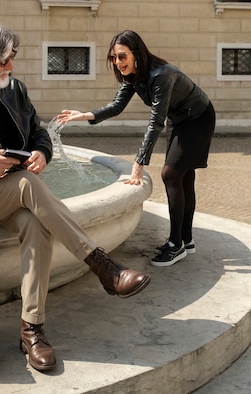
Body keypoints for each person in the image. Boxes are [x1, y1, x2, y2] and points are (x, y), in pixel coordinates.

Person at [0, 20, 151, 373]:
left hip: (11, 192)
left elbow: (38, 134)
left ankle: (32, 330)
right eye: (3, 60)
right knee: (27, 184)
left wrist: (43, 152)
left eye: (12, 58)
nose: (11, 66)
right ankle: (103, 267)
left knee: (35, 225)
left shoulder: (15, 90)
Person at [57, 29, 215, 268]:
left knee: (171, 174)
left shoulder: (161, 75)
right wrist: (84, 115)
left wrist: (138, 163)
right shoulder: (134, 76)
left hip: (198, 118)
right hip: (180, 119)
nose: (117, 62)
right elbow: (116, 106)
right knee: (183, 176)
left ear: (136, 54)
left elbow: (155, 123)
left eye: (122, 56)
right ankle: (186, 239)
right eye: (114, 57)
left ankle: (176, 244)